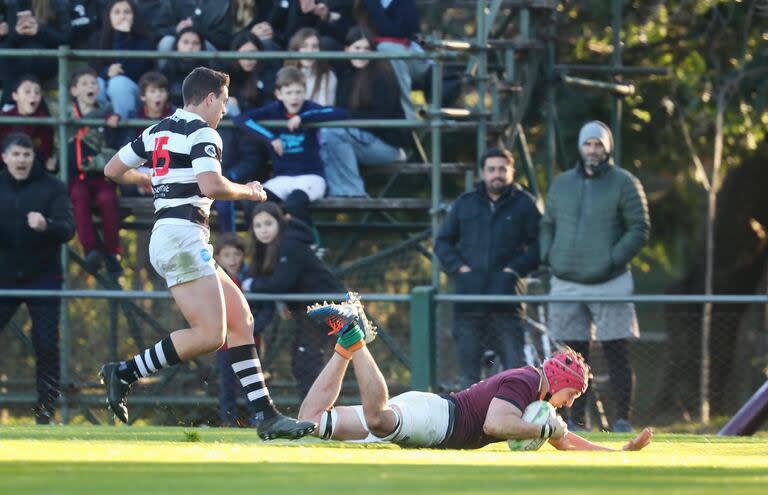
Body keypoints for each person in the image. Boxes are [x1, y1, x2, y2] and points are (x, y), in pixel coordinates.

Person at [98, 66, 316, 440]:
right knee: (210, 335)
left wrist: (149, 177)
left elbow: (112, 169)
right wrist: (249, 191)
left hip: (176, 235)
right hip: (182, 237)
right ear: (210, 97)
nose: (225, 112)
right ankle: (124, 372)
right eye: (224, 102)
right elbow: (211, 184)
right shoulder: (202, 131)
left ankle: (266, 416)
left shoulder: (157, 130)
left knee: (240, 320)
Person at [298, 298, 654, 451]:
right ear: (562, 383)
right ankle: (358, 340)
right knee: (377, 418)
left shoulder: (539, 399)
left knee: (310, 422)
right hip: (439, 421)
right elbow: (495, 424)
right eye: (573, 396)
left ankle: (345, 345)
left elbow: (566, 441)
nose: (570, 403)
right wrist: (546, 428)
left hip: (431, 414)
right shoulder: (527, 382)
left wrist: (619, 452)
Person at [539, 120, 650, 433]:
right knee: (572, 358)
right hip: (567, 281)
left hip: (610, 281)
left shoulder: (624, 182)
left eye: (598, 144)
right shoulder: (561, 184)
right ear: (580, 147)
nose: (592, 150)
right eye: (587, 144)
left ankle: (622, 420)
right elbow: (547, 223)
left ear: (607, 148)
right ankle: (576, 422)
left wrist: (611, 260)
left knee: (617, 352)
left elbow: (639, 228)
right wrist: (550, 255)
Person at [434, 148, 541, 389]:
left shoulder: (525, 205)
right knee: (469, 379)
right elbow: (442, 242)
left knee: (517, 374)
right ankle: (470, 425)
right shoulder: (465, 204)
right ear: (483, 173)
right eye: (491, 169)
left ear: (512, 171)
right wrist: (460, 269)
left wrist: (513, 271)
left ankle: (516, 424)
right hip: (468, 305)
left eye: (503, 169)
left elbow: (539, 247)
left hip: (507, 305)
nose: (497, 174)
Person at [0, 132, 75, 424]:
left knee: (45, 344)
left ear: (33, 157)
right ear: (5, 157)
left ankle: (45, 411)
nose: (21, 160)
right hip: (4, 277)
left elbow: (68, 229)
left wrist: (47, 225)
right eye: (15, 155)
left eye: (26, 154)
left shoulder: (52, 188)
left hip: (43, 277)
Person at [242, 193, 347, 399]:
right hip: (307, 310)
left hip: (326, 308)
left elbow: (281, 282)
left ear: (279, 223)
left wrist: (251, 284)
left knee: (307, 360)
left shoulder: (291, 243)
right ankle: (314, 412)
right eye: (258, 225)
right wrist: (281, 300)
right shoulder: (271, 248)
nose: (263, 229)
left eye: (268, 224)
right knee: (304, 361)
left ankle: (317, 413)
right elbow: (281, 281)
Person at [234, 65, 348, 202]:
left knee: (295, 203)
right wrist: (270, 138)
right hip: (282, 178)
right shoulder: (274, 109)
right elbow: (241, 118)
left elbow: (341, 113)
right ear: (279, 94)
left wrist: (303, 118)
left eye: (298, 92)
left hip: (311, 176)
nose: (294, 97)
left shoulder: (309, 108)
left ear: (305, 92)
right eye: (289, 93)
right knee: (255, 201)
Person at [320, 26, 408, 197]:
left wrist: (346, 118)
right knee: (327, 135)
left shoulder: (383, 77)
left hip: (386, 145)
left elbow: (382, 118)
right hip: (358, 139)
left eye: (367, 49)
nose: (362, 53)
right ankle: (338, 192)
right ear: (346, 50)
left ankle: (354, 192)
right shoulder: (345, 76)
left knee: (333, 133)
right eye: (357, 48)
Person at [67, 66, 124, 275]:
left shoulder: (107, 113)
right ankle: (90, 249)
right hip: (76, 177)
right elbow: (61, 145)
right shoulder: (67, 116)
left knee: (107, 199)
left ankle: (112, 252)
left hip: (102, 175)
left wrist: (111, 124)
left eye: (93, 83)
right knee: (78, 197)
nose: (91, 87)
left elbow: (112, 148)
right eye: (84, 84)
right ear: (74, 91)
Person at [213, 232, 271, 426]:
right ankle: (228, 421)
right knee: (227, 383)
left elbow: (264, 309)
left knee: (252, 382)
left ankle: (258, 419)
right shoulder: (214, 281)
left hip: (250, 342)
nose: (232, 260)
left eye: (236, 254)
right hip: (224, 345)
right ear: (218, 258)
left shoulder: (252, 279)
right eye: (227, 255)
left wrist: (251, 328)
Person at [353, 0, 426, 120]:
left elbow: (395, 32)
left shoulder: (405, 3)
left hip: (409, 57)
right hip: (369, 53)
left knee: (387, 50)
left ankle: (406, 119)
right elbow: (350, 33)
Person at [0, 1, 71, 107]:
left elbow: (66, 39)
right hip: (16, 59)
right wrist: (12, 33)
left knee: (28, 54)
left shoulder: (57, 4)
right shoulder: (10, 4)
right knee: (5, 51)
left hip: (46, 58)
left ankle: (10, 103)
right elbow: (9, 41)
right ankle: (26, 105)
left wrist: (38, 31)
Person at [89, 0, 153, 119]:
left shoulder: (143, 40)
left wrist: (121, 36)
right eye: (117, 12)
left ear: (134, 16)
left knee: (118, 83)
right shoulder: (97, 38)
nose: (122, 16)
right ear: (109, 16)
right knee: (97, 83)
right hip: (105, 89)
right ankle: (98, 128)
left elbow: (132, 72)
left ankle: (125, 132)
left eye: (127, 12)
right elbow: (92, 69)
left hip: (134, 94)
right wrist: (107, 72)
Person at [0, 74, 55, 172]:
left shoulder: (44, 122)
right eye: (27, 91)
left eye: (37, 92)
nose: (33, 95)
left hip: (33, 171)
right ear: (15, 96)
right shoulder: (4, 119)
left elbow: (46, 154)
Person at [284, 27, 337, 106]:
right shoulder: (284, 73)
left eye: (314, 46)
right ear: (296, 49)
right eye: (304, 46)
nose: (309, 51)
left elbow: (324, 109)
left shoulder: (329, 76)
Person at [160, 27, 209, 108]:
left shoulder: (208, 73)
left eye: (195, 43)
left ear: (201, 46)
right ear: (177, 44)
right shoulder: (166, 70)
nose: (190, 47)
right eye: (185, 42)